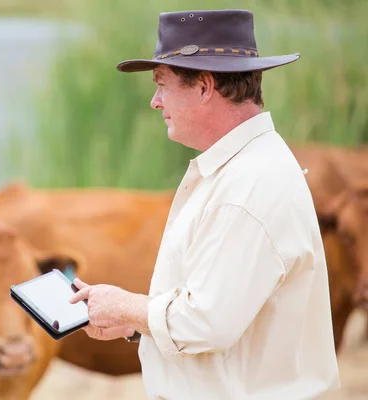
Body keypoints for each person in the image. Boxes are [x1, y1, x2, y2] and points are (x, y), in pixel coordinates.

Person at [69, 9, 340, 399]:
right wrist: (134, 324)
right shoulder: (246, 168)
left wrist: (127, 307)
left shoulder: (248, 187)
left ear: (204, 86)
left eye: (161, 84)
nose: (155, 102)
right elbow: (227, 312)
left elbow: (206, 323)